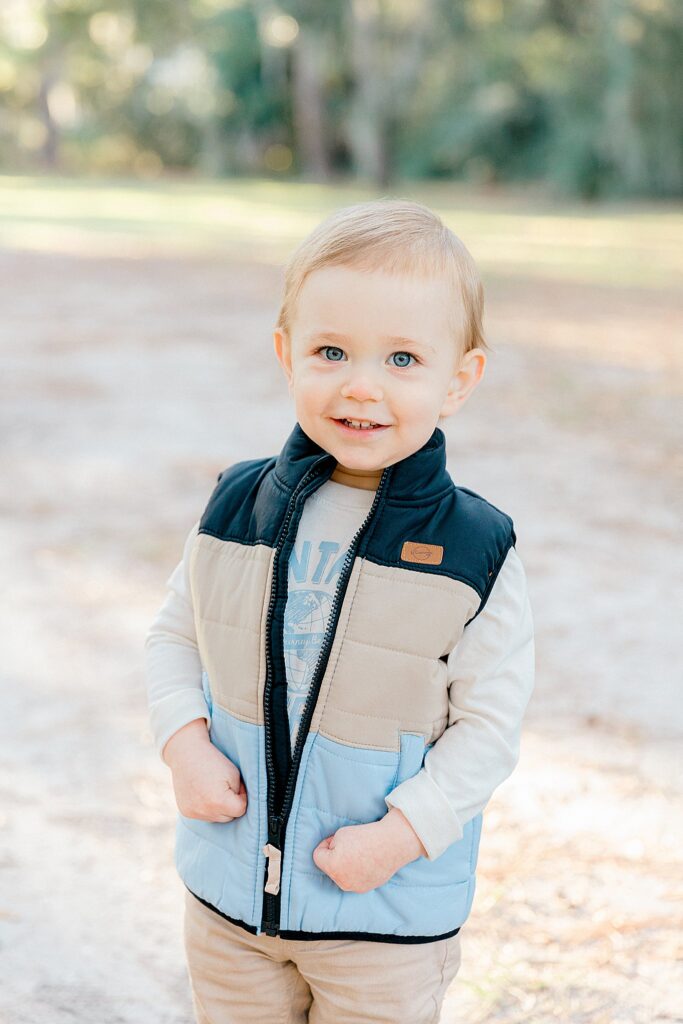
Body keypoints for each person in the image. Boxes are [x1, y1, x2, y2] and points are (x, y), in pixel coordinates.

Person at [144, 197, 535, 1024]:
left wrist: (399, 836)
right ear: (286, 356)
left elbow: (488, 729)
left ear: (458, 379)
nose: (362, 385)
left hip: (382, 919)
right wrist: (182, 744)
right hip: (230, 901)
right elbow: (175, 636)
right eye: (331, 351)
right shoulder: (235, 506)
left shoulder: (476, 549)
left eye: (401, 358)